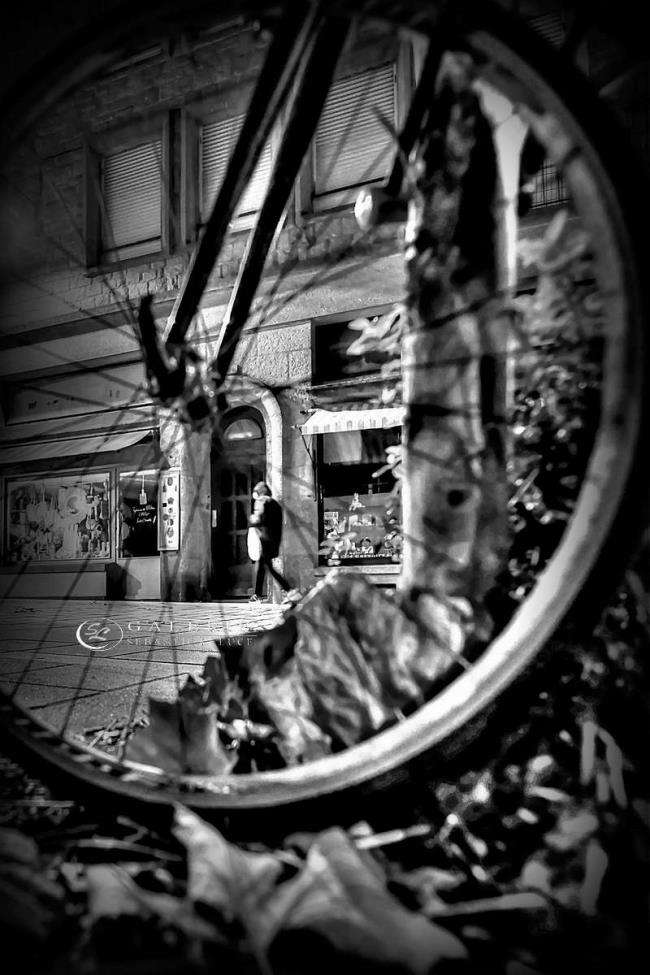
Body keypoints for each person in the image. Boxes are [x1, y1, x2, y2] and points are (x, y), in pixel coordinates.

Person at [247, 481, 300, 606]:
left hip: (265, 539)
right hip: (273, 540)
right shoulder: (276, 504)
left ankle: (290, 590)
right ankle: (258, 595)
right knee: (262, 566)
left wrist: (253, 521)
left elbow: (259, 519)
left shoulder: (262, 502)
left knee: (267, 567)